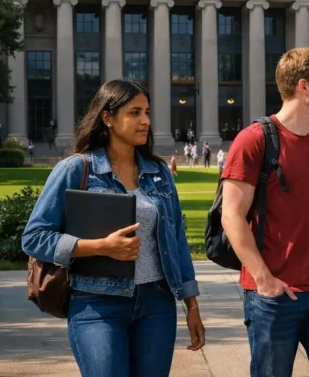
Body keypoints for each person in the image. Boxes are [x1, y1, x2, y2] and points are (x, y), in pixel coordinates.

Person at [21, 79, 204, 376]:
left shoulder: (158, 173)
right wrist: (100, 247)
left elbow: (177, 240)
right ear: (108, 118)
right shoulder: (75, 169)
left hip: (157, 303)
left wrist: (192, 306)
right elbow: (34, 237)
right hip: (96, 304)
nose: (145, 120)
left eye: (147, 112)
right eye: (134, 113)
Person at [219, 48, 309, 377]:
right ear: (304, 87)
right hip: (274, 296)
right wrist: (263, 279)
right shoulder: (253, 141)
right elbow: (232, 216)